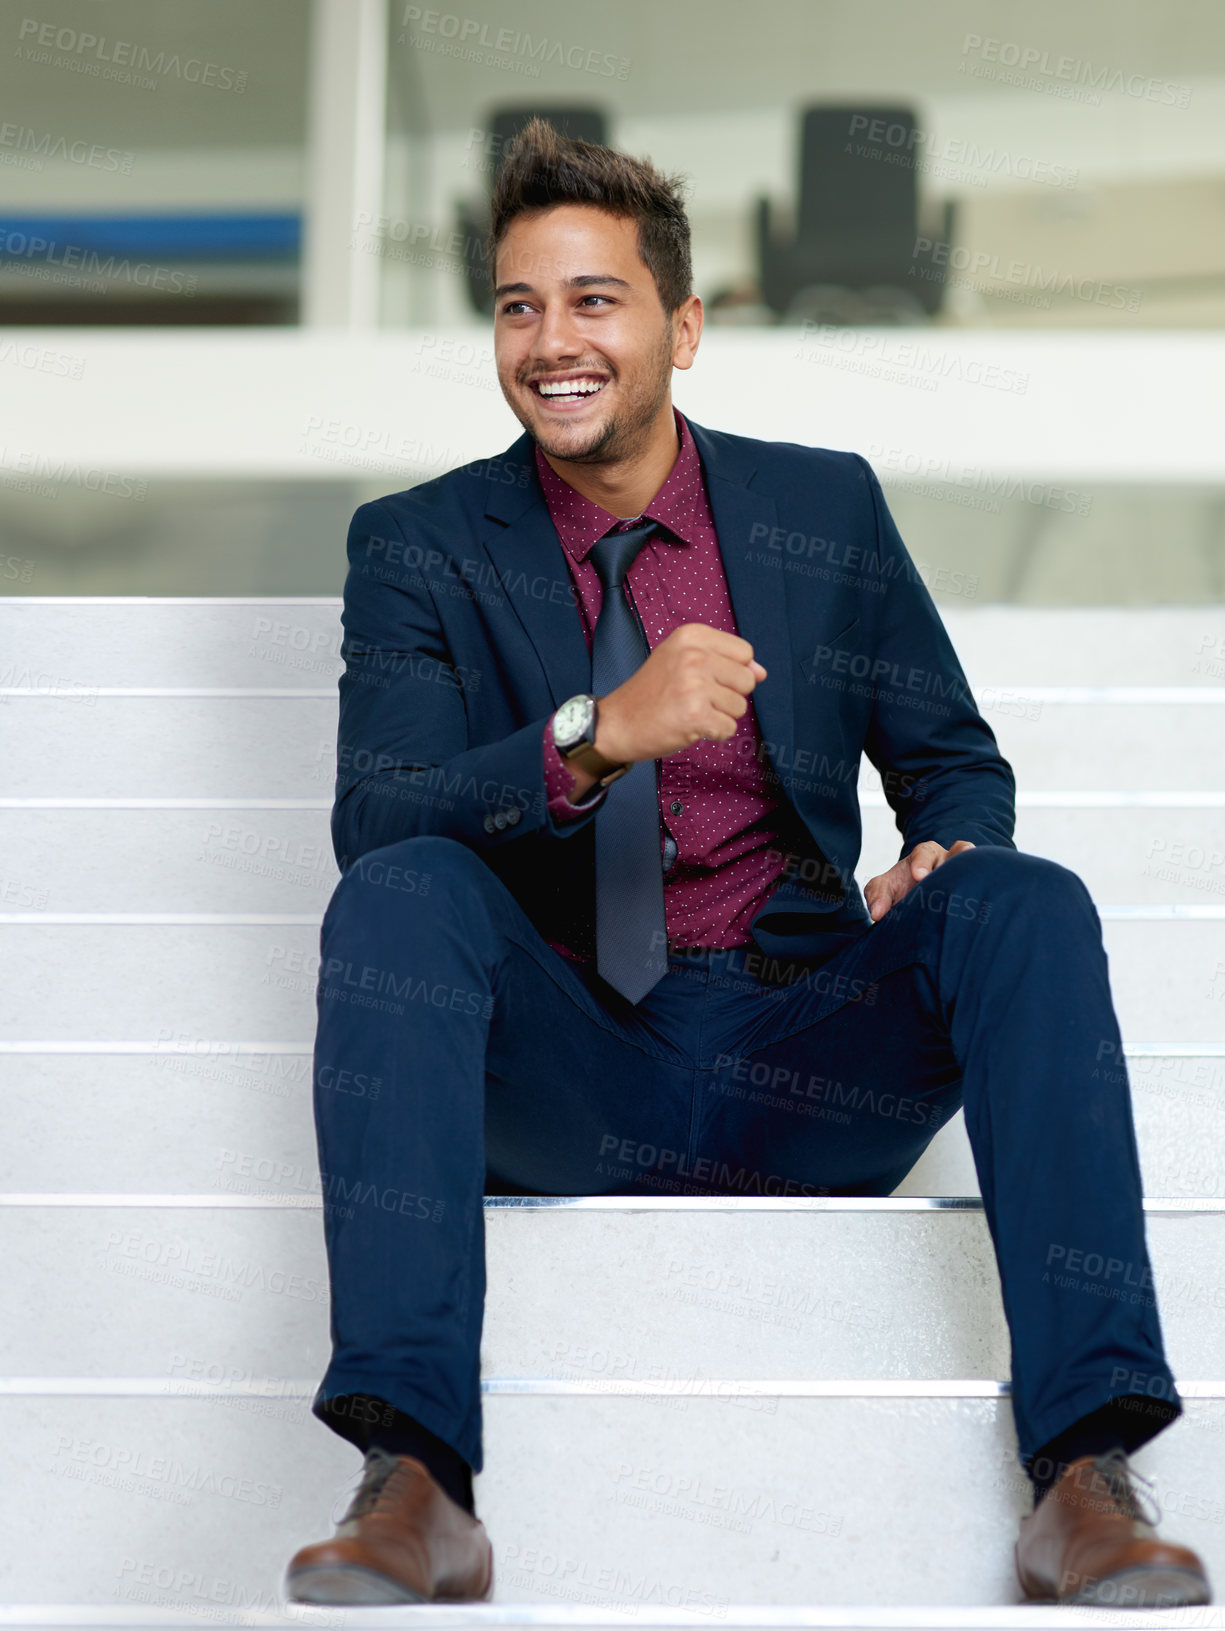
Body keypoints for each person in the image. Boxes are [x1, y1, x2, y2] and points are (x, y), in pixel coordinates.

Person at [285, 120, 1211, 1609]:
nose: (551, 341)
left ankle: (1083, 1478)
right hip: (570, 1068)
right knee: (405, 893)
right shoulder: (417, 545)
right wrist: (594, 736)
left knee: (1023, 903)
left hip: (804, 1055)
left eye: (594, 299)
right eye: (519, 306)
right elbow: (378, 822)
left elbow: (949, 756)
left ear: (683, 325)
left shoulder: (817, 507)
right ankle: (416, 1480)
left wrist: (943, 849)